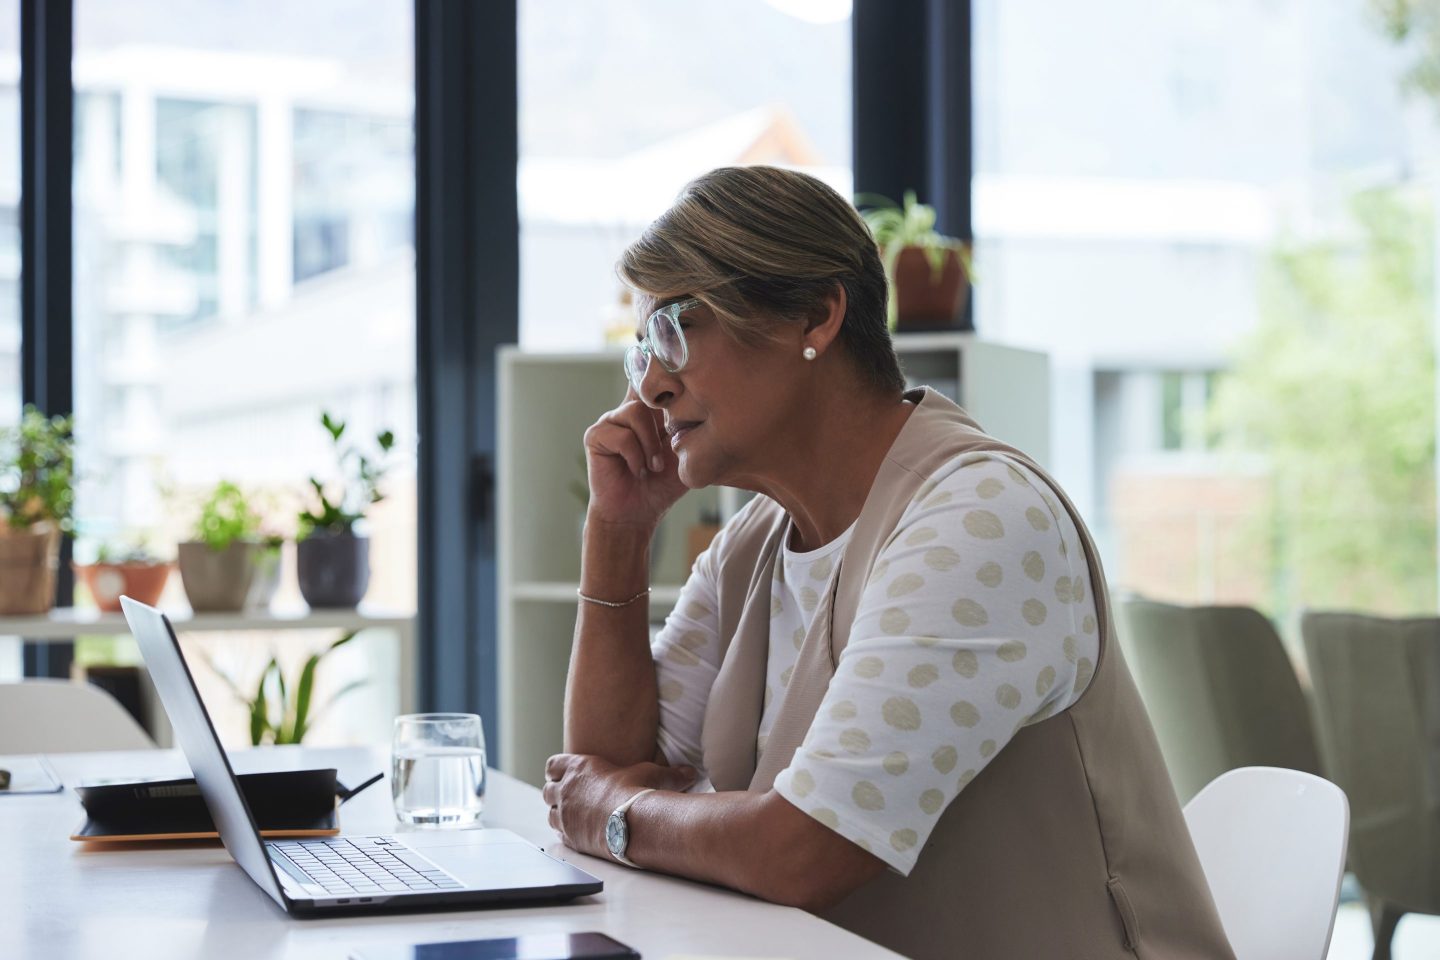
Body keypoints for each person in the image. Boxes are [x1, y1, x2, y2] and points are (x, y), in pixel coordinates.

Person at [542, 165, 1234, 959]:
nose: (654, 385)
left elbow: (803, 849)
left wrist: (616, 813)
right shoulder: (752, 546)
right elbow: (598, 772)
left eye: (675, 328)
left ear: (815, 314)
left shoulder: (980, 521)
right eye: (642, 351)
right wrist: (618, 533)